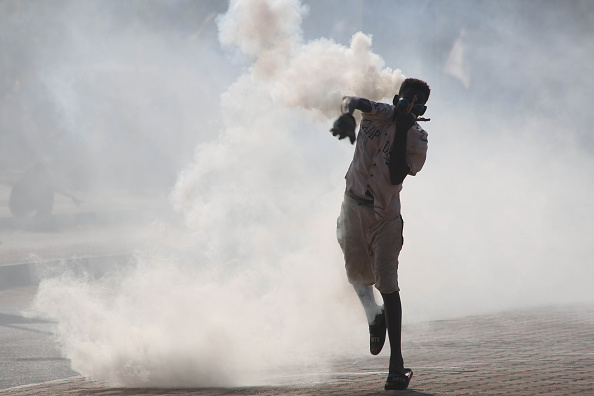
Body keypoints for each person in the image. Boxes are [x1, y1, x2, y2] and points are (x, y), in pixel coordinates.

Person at [330, 78, 430, 391]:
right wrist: (348, 115)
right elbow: (353, 100)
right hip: (352, 207)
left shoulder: (418, 138)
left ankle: (396, 365)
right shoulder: (378, 113)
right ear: (397, 98)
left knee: (387, 283)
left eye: (417, 105)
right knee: (357, 276)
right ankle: (375, 317)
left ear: (422, 110)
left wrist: (401, 128)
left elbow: (398, 173)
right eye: (405, 100)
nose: (409, 107)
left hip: (385, 218)